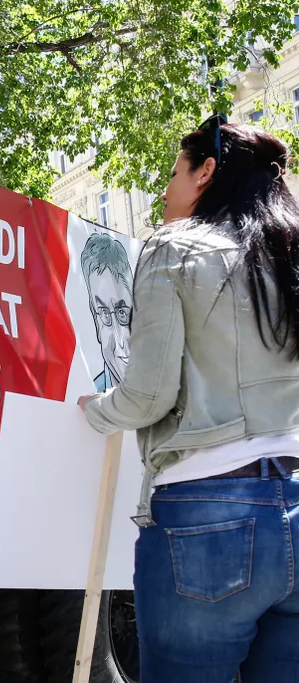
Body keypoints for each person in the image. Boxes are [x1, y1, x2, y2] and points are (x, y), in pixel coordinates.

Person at [78, 118, 299, 682]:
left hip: (208, 514)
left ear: (206, 172)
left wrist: (96, 409)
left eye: (174, 173)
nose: (163, 190)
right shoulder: (288, 250)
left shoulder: (174, 247)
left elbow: (148, 396)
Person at [79, 232, 133, 391]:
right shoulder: (89, 394)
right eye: (103, 314)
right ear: (96, 323)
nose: (119, 341)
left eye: (122, 313)